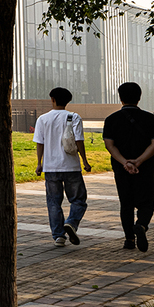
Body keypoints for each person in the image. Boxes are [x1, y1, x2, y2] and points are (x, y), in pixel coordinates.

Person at [102, 81, 154, 252]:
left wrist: (125, 162)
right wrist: (139, 161)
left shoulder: (112, 119)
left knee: (126, 203)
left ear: (120, 98)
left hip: (121, 169)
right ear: (139, 97)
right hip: (146, 167)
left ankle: (129, 239)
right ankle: (141, 225)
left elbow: (109, 145)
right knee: (147, 201)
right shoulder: (150, 118)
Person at [32, 87, 92, 247]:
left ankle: (58, 236)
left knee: (53, 202)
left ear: (52, 99)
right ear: (68, 101)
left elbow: (40, 143)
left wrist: (39, 163)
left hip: (50, 167)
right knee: (79, 200)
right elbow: (79, 140)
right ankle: (71, 222)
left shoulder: (42, 119)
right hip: (71, 166)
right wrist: (85, 161)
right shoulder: (74, 117)